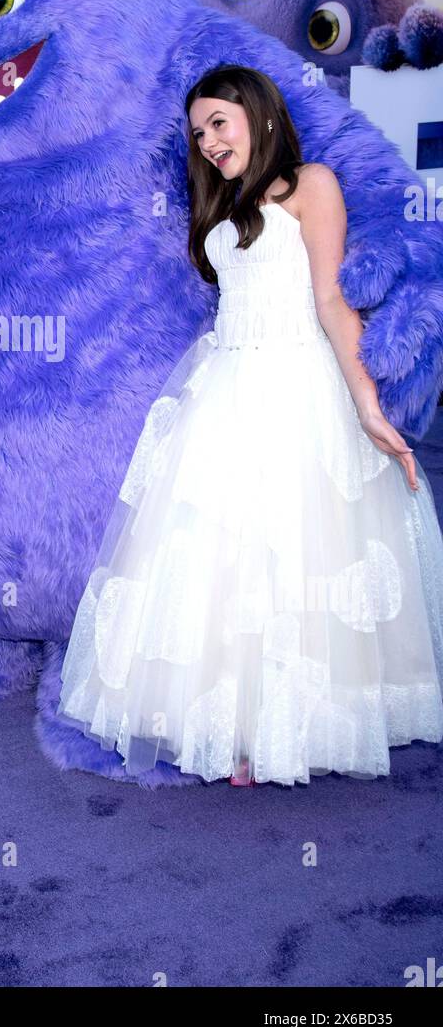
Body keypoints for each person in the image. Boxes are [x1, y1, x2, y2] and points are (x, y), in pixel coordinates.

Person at [56, 65, 443, 788]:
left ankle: (286, 726)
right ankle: (235, 726)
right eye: (198, 132)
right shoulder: (225, 204)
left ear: (259, 115)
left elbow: (331, 300)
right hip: (226, 382)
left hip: (297, 385)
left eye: (219, 123)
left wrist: (365, 402)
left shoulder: (310, 185)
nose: (206, 141)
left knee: (297, 555)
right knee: (224, 562)